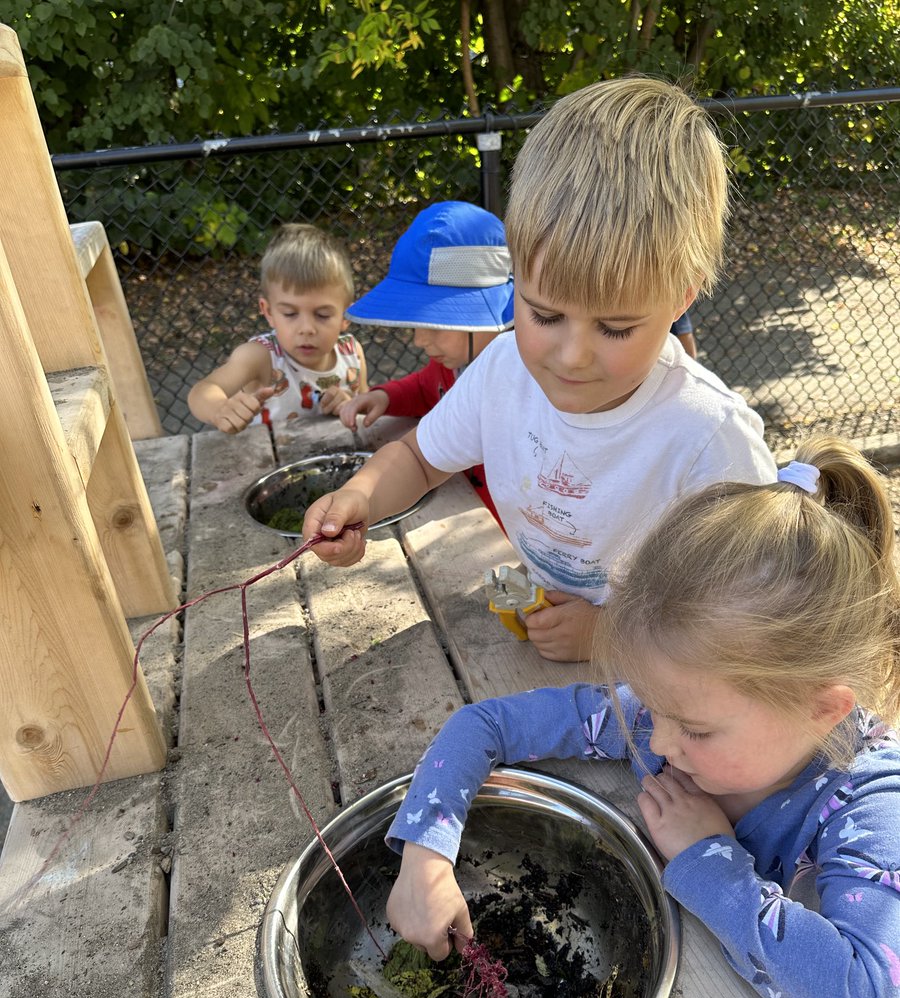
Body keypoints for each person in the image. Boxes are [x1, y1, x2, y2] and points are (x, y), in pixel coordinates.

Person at [384, 438, 900, 998]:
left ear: (822, 711)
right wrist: (425, 854)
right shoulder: (662, 709)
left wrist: (709, 857)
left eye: (695, 729)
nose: (654, 742)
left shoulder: (868, 800)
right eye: (651, 706)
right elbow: (484, 723)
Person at [301, 77, 777, 663]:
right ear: (516, 278)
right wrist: (360, 496)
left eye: (616, 327)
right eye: (544, 314)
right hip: (535, 639)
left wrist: (612, 635)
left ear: (682, 298)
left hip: (660, 688)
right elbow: (420, 458)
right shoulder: (502, 372)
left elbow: (748, 615)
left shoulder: (709, 439)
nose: (572, 355)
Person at [338, 201, 514, 521]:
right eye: (417, 323)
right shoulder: (450, 367)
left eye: (438, 324)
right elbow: (424, 389)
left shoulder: (520, 381)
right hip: (460, 509)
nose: (419, 340)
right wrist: (385, 396)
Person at [187, 223, 367, 433]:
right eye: (290, 314)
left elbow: (366, 404)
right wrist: (220, 409)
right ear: (269, 312)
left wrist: (349, 404)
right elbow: (201, 391)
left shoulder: (352, 355)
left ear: (346, 316)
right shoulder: (260, 357)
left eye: (322, 315)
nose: (307, 328)